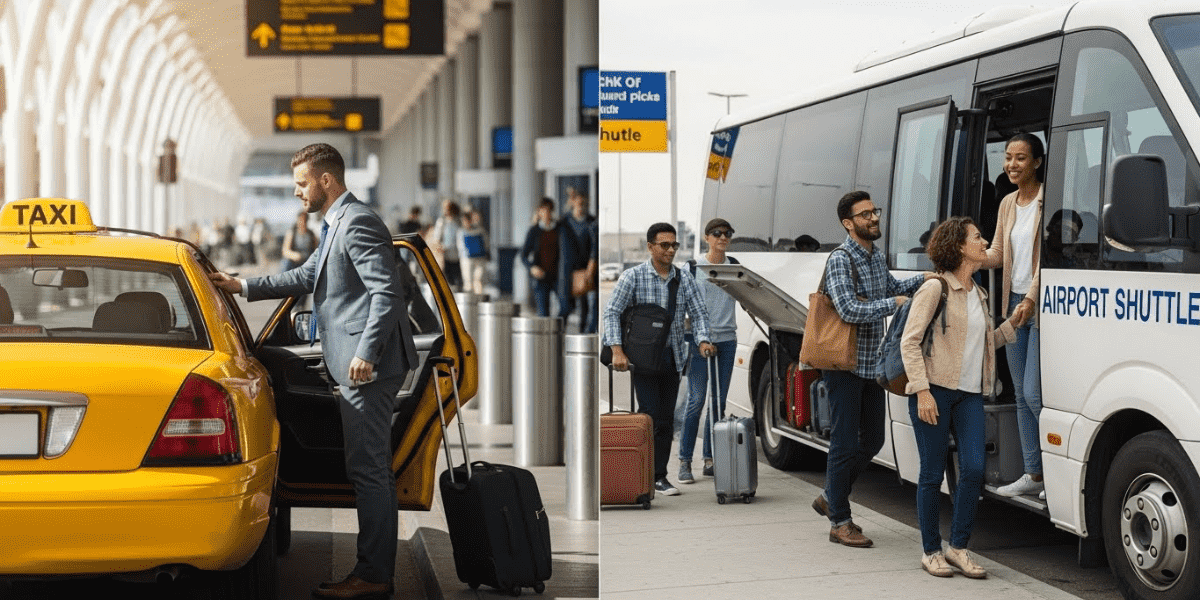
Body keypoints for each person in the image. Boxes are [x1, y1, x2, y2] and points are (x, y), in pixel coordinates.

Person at [208, 143, 418, 599]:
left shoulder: (357, 222)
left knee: (370, 470)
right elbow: (308, 277)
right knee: (368, 468)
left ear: (327, 180)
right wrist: (241, 285)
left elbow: (385, 294)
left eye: (303, 182)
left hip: (369, 369)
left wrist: (365, 351)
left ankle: (374, 575)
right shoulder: (338, 221)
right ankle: (374, 570)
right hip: (361, 366)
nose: (298, 191)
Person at [902, 217, 1018, 579]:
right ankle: (931, 551)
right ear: (959, 247)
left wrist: (1014, 323)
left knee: (972, 469)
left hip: (968, 393)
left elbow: (981, 344)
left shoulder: (978, 294)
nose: (984, 242)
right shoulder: (935, 289)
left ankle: (959, 547)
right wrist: (922, 391)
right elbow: (910, 342)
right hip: (933, 390)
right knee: (932, 473)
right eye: (978, 237)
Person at [811, 190, 928, 548]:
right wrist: (891, 304)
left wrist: (927, 279)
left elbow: (891, 287)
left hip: (869, 364)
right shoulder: (841, 259)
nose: (874, 218)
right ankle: (840, 522)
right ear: (849, 223)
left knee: (874, 439)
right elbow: (847, 309)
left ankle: (832, 494)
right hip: (844, 364)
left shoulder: (874, 256)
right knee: (844, 443)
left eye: (874, 211)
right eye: (865, 215)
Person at [604, 222, 716, 497]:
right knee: (650, 414)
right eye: (664, 245)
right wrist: (617, 349)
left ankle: (659, 477)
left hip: (673, 357)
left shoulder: (684, 278)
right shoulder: (633, 277)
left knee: (665, 419)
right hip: (641, 359)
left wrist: (702, 339)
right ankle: (646, 473)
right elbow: (611, 313)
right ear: (650, 247)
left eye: (674, 245)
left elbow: (699, 313)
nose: (670, 250)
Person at [983, 132, 1045, 499]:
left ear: (1037, 162)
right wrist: (964, 256)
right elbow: (996, 253)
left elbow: (1049, 259)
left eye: (1020, 158)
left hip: (1039, 305)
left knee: (1035, 394)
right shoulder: (1008, 203)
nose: (1011, 165)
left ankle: (1056, 473)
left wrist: (1032, 299)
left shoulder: (1046, 198)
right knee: (1021, 393)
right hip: (1013, 304)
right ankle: (1034, 474)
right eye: (1008, 157)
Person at [677, 217, 739, 483]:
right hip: (698, 341)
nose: (722, 237)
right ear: (706, 237)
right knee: (696, 400)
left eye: (727, 233)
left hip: (727, 340)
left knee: (719, 402)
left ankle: (710, 458)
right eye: (716, 233)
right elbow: (681, 305)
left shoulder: (735, 267)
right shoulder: (692, 268)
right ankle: (684, 461)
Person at [559, 187, 599, 333]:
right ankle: (559, 334)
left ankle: (583, 335)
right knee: (566, 306)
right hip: (567, 270)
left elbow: (595, 248)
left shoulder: (591, 222)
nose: (581, 206)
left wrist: (590, 268)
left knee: (585, 305)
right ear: (573, 204)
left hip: (585, 269)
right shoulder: (565, 222)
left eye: (584, 203)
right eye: (578, 203)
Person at [520, 198, 563, 317]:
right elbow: (523, 255)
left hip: (558, 276)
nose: (547, 213)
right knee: (543, 313)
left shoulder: (559, 229)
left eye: (549, 210)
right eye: (543, 210)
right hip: (541, 277)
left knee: (566, 306)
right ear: (539, 212)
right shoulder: (534, 231)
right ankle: (549, 334)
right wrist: (532, 268)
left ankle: (557, 327)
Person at [432, 199, 463, 290]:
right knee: (449, 280)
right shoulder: (442, 222)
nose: (445, 210)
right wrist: (440, 248)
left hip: (459, 256)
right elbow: (436, 238)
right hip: (446, 256)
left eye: (447, 208)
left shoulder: (459, 221)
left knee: (459, 280)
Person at [457, 208, 489, 295]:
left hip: (471, 258)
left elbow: (460, 247)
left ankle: (476, 298)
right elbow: (486, 244)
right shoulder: (480, 230)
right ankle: (474, 299)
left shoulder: (462, 232)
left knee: (475, 280)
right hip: (473, 258)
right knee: (471, 281)